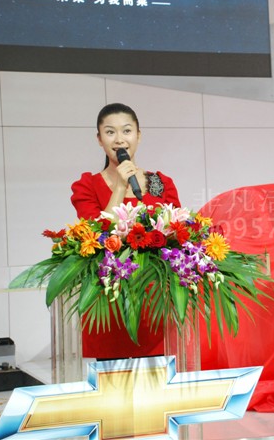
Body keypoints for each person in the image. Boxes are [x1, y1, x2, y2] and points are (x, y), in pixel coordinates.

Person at [70, 103, 181, 358]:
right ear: (99, 139)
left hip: (155, 306)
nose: (119, 139)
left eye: (127, 131)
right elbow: (100, 233)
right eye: (110, 132)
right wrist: (120, 186)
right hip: (109, 306)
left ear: (138, 135)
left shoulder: (160, 183)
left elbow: (177, 234)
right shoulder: (87, 186)